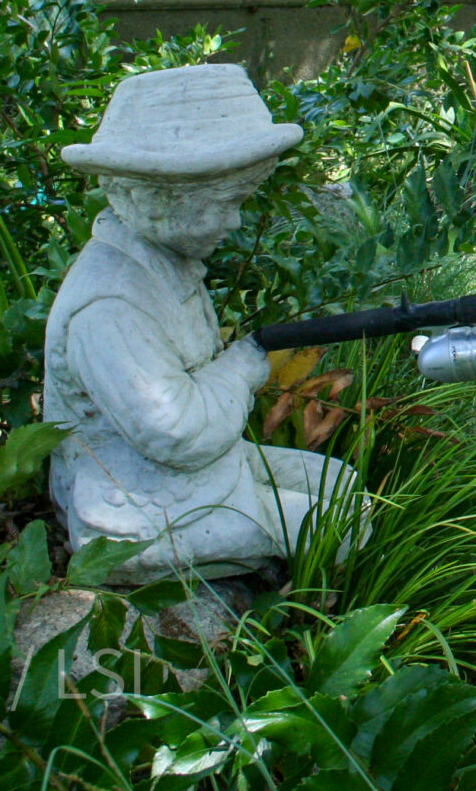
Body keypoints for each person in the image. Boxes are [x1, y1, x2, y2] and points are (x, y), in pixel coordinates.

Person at [44, 63, 356, 583]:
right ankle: (288, 618)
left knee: (340, 484)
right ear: (155, 198)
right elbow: (177, 433)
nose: (235, 221)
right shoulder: (109, 307)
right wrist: (244, 365)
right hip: (133, 499)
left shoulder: (165, 264)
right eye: (225, 204)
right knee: (341, 524)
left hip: (187, 474)